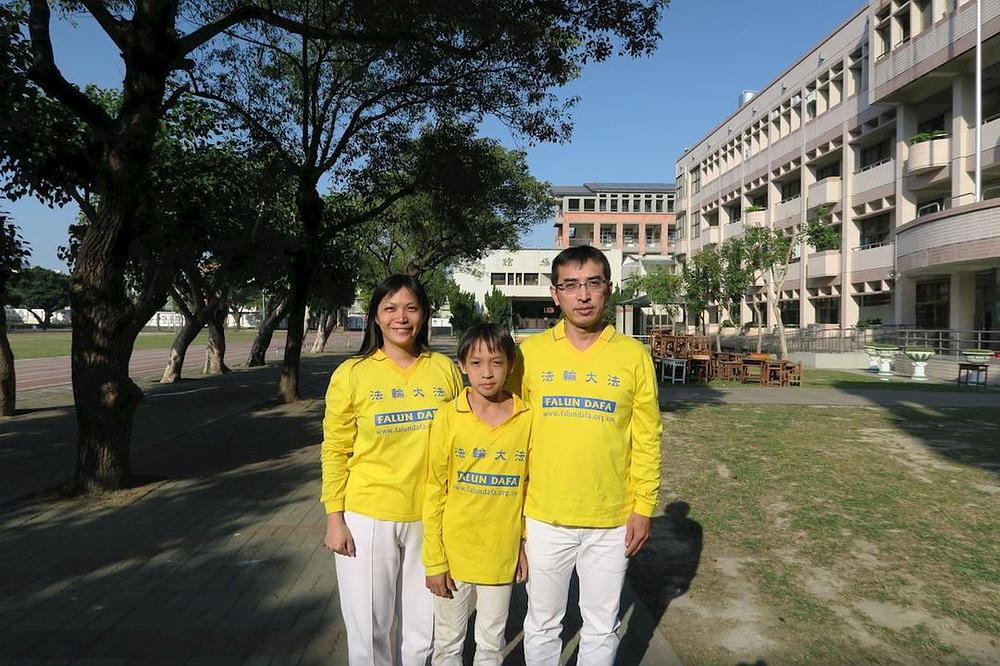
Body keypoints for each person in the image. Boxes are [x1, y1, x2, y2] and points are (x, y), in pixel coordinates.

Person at [515, 245, 662, 665]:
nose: (583, 295)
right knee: (542, 622)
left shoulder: (633, 356)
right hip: (544, 516)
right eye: (571, 285)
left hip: (611, 519)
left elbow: (647, 437)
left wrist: (643, 507)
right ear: (555, 294)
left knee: (601, 625)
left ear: (608, 289)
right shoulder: (529, 355)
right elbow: (511, 434)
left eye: (593, 284)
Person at [321, 273, 464, 665]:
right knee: (370, 630)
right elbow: (335, 449)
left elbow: (461, 440)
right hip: (368, 516)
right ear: (375, 316)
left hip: (430, 517)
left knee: (424, 628)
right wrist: (335, 519)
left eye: (411, 308)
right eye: (390, 308)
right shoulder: (352, 373)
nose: (401, 317)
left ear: (425, 316)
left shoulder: (444, 370)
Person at [423, 323, 531, 665]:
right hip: (454, 552)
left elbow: (529, 486)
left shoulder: (528, 417)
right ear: (462, 366)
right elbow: (434, 489)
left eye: (497, 363)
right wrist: (434, 559)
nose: (487, 373)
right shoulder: (448, 416)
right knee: (448, 643)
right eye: (477, 363)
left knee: (490, 643)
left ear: (510, 365)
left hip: (500, 552)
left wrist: (523, 544)